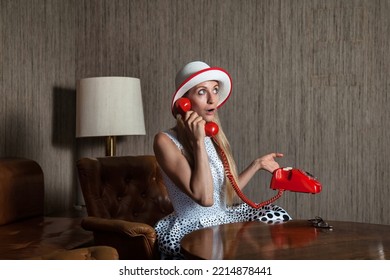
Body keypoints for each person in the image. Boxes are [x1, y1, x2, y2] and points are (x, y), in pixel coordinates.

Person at [153, 61, 291, 259]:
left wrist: (256, 165)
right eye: (202, 92)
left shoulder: (213, 136)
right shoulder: (165, 141)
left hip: (222, 218)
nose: (212, 99)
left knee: (277, 215)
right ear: (184, 102)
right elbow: (205, 198)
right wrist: (198, 142)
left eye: (215, 90)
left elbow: (224, 195)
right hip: (193, 226)